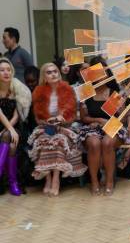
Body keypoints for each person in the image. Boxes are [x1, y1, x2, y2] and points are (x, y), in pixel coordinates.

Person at [28, 62, 86, 196]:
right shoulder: (38, 92)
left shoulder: (67, 89)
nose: (53, 74)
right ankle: (47, 178)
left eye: (55, 71)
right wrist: (47, 121)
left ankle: (55, 179)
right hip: (45, 127)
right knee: (43, 140)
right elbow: (38, 118)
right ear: (44, 76)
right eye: (49, 72)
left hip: (65, 127)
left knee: (58, 141)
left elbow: (71, 116)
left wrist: (61, 119)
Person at [79, 56, 126, 195]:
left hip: (113, 126)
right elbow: (83, 118)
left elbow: (121, 118)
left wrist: (116, 113)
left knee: (107, 142)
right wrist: (99, 120)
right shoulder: (86, 92)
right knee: (94, 143)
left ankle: (109, 181)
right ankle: (95, 182)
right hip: (93, 126)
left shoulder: (113, 93)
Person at [0, 57, 31, 195]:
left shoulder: (17, 88)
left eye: (8, 70)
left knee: (9, 138)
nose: (6, 73)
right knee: (11, 145)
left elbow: (17, 115)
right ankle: (12, 182)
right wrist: (7, 130)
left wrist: (9, 129)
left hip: (13, 127)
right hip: (2, 126)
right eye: (2, 70)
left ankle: (12, 182)